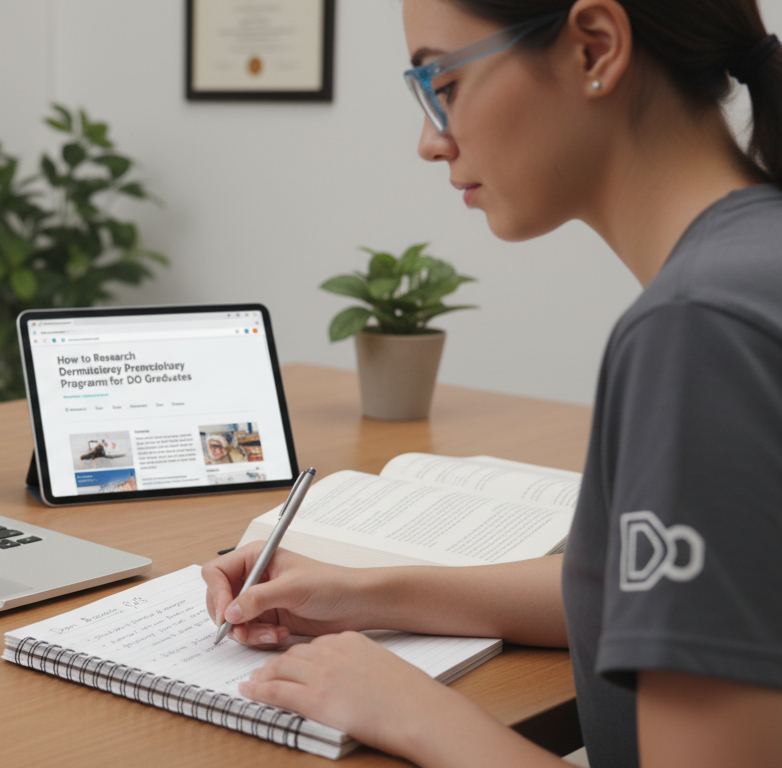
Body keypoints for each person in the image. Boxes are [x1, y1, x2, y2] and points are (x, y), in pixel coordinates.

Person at [204, 2, 782, 766]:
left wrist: (415, 713)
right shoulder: (755, 258)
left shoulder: (697, 328)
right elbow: (665, 593)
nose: (428, 140)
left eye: (441, 80)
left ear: (594, 50)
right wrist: (365, 593)